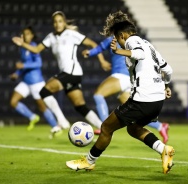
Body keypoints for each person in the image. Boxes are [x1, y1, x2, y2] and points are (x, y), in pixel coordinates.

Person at [66, 11, 175, 174]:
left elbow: (139, 54)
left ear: (123, 35)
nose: (119, 44)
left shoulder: (133, 40)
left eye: (118, 40)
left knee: (106, 128)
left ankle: (88, 161)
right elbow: (168, 70)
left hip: (143, 99)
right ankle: (163, 149)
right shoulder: (149, 45)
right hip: (157, 100)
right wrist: (166, 85)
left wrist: (118, 51)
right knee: (133, 129)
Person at [12, 11, 108, 131]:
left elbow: (93, 44)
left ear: (64, 22)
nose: (58, 24)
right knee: (80, 106)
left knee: (44, 92)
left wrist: (102, 60)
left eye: (60, 21)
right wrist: (22, 44)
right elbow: (36, 49)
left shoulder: (71, 34)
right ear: (53, 24)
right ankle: (103, 128)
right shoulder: (51, 37)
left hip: (72, 72)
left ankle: (62, 120)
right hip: (70, 74)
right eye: (55, 22)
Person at [82, 36, 170, 143]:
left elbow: (99, 48)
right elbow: (100, 48)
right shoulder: (137, 41)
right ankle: (161, 126)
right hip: (131, 79)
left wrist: (89, 53)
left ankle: (104, 127)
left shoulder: (115, 39)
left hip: (121, 76)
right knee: (134, 114)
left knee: (98, 94)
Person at [10, 26, 63, 136]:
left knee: (42, 107)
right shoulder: (22, 48)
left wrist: (23, 65)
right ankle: (32, 117)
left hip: (36, 82)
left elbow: (38, 63)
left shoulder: (33, 47)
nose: (26, 36)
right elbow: (23, 66)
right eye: (24, 34)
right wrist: (17, 73)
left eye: (28, 33)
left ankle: (56, 127)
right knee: (13, 101)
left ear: (32, 35)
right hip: (25, 81)